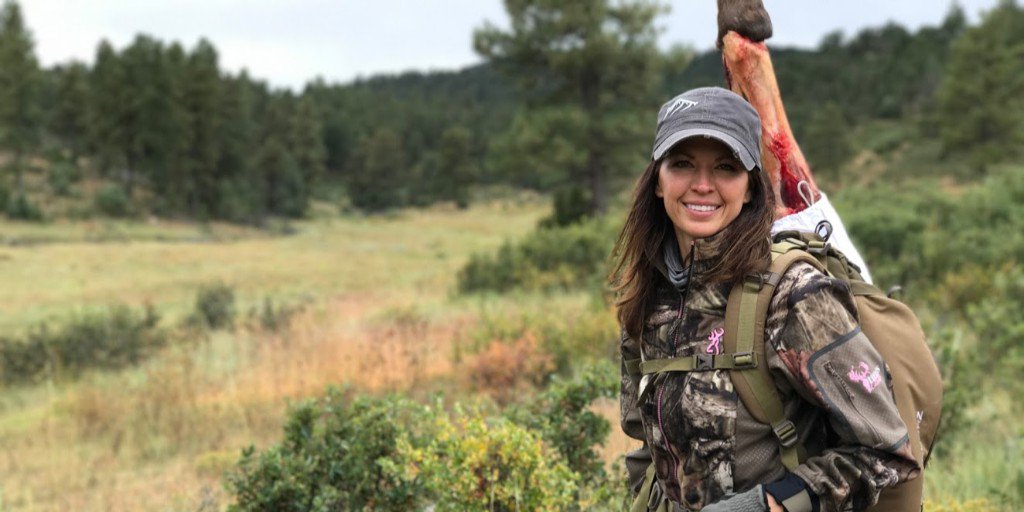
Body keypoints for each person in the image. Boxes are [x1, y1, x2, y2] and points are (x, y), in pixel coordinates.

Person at [611, 87, 919, 512]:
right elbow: (645, 442)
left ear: (752, 187)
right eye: (682, 164)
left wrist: (766, 506)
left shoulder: (794, 295)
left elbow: (886, 451)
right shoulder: (648, 299)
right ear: (658, 181)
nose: (702, 185)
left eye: (726, 167)